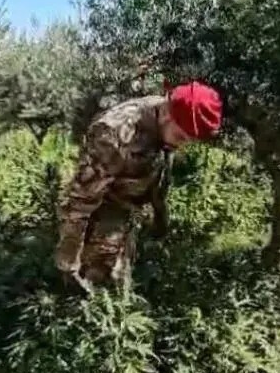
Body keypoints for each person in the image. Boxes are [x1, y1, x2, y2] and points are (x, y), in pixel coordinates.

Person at [54, 81, 223, 292]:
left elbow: (158, 168)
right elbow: (80, 200)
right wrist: (69, 259)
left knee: (120, 281)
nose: (183, 145)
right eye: (181, 137)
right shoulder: (114, 134)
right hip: (105, 212)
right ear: (167, 115)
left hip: (128, 211)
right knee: (99, 287)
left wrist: (160, 217)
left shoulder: (166, 116)